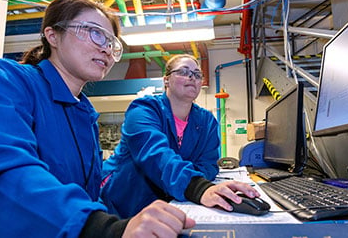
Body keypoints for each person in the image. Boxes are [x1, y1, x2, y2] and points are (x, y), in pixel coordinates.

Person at [0, 0, 194, 237]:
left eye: (112, 43)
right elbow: (1, 177)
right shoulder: (0, 80)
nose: (105, 49)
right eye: (94, 32)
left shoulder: (85, 115)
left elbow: (88, 195)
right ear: (52, 35)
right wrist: (102, 229)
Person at [101, 54, 260, 218]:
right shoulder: (143, 110)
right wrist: (197, 188)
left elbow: (208, 165)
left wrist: (187, 184)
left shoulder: (207, 121)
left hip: (170, 203)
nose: (192, 77)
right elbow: (155, 155)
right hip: (122, 201)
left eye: (197, 75)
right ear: (166, 80)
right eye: (184, 72)